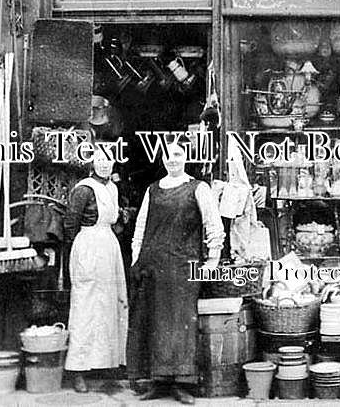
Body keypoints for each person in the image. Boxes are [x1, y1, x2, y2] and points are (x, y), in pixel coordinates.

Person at [128, 142, 224, 403]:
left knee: (181, 325)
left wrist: (212, 261)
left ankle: (183, 384)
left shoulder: (198, 188)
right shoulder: (152, 190)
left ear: (186, 157)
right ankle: (158, 382)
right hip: (152, 267)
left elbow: (213, 224)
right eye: (168, 155)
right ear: (162, 158)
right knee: (154, 324)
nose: (173, 160)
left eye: (178, 155)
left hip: (183, 267)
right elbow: (140, 228)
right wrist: (138, 260)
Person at [63, 149, 129, 393]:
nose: (104, 164)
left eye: (108, 160)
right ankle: (77, 370)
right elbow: (70, 223)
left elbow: (113, 221)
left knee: (110, 304)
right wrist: (78, 254)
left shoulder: (112, 187)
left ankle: (106, 363)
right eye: (99, 160)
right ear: (92, 163)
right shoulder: (84, 188)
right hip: (88, 246)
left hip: (108, 247)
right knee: (86, 306)